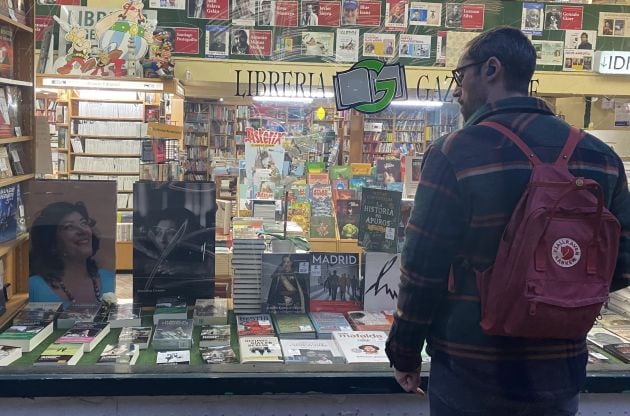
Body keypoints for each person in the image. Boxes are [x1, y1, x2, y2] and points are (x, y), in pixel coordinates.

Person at [385, 27, 630, 415]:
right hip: (559, 370)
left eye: (459, 75)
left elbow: (422, 268)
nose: (455, 89)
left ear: (491, 69)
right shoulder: (600, 157)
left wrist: (404, 351)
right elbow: (620, 265)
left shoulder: (455, 153)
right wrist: (557, 294)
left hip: (473, 367)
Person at [29, 202, 115, 308]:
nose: (83, 230)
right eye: (69, 227)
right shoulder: (34, 288)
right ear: (52, 242)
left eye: (83, 223)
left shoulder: (110, 279)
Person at [133, 207, 213, 291]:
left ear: (186, 234)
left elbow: (209, 269)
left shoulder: (198, 251)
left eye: (170, 233)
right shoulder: (147, 250)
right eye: (158, 232)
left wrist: (187, 268)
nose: (162, 239)